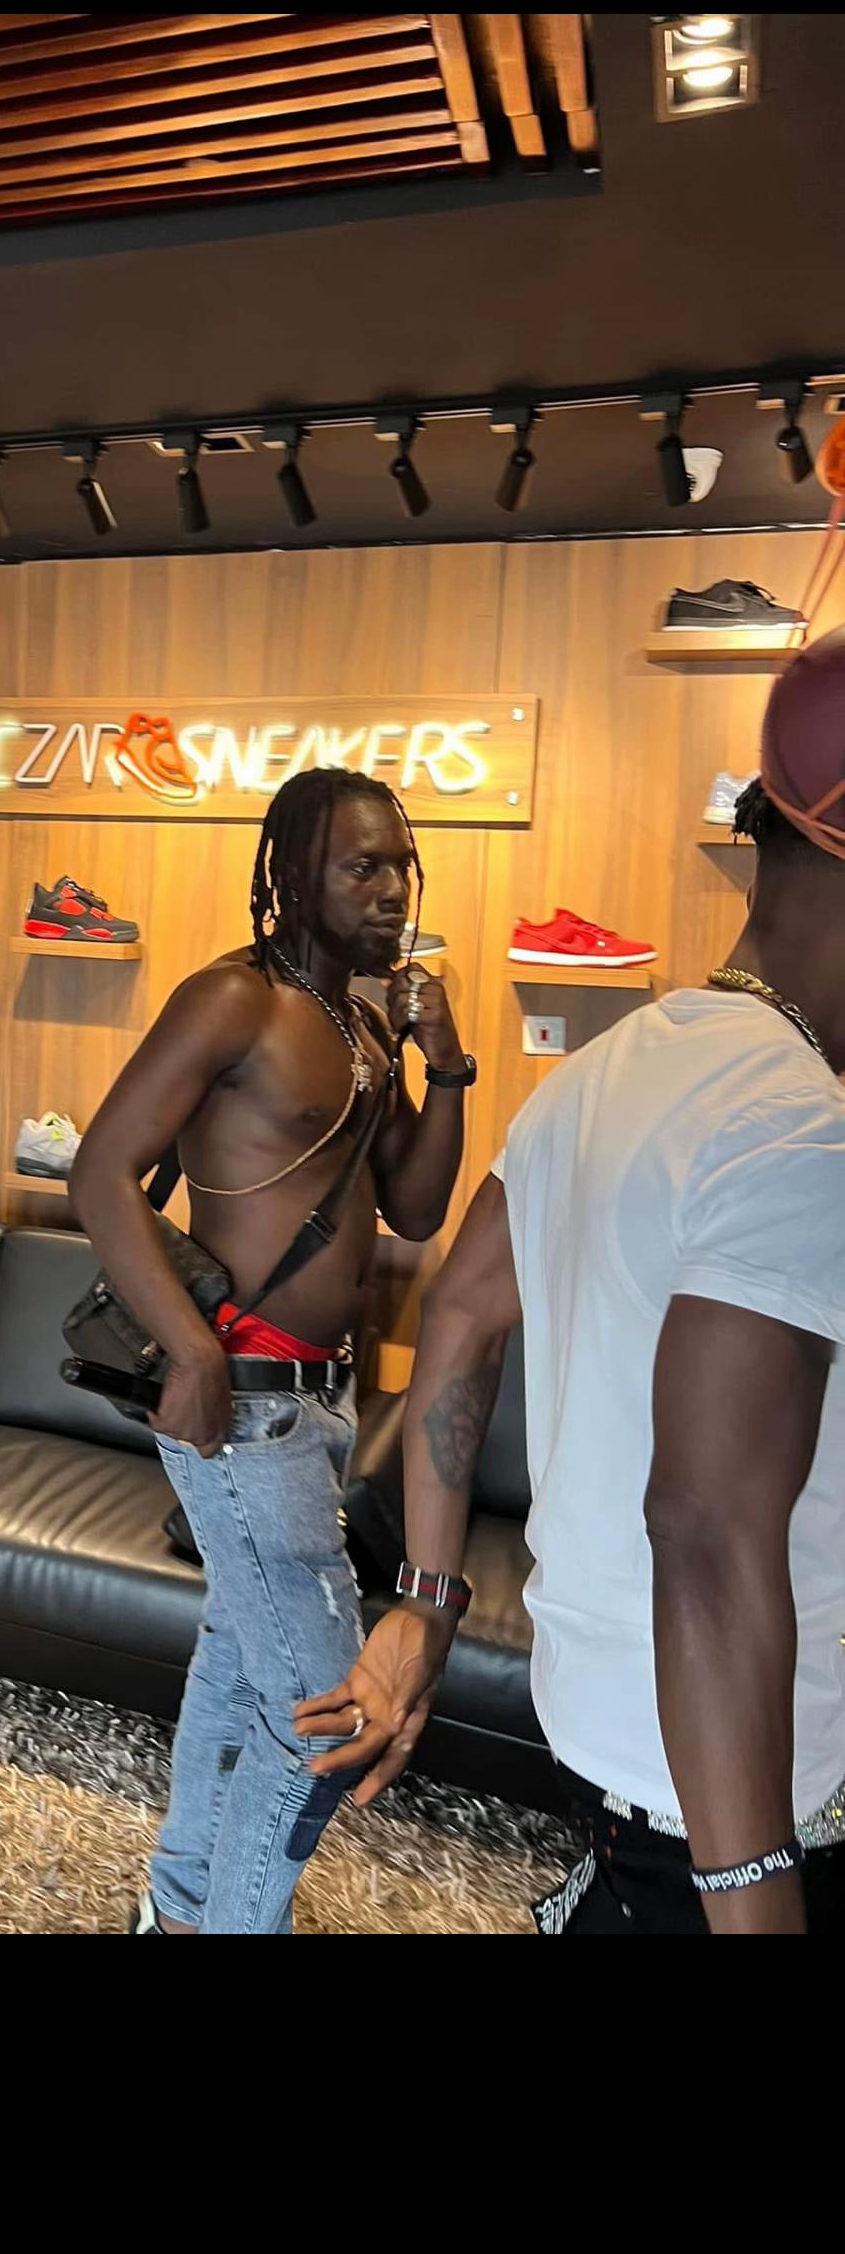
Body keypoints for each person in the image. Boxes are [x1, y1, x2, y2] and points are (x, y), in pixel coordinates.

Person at [298, 634, 845, 1934]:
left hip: (616, 1730)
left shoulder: (606, 1070)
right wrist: (751, 1898)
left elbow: (463, 1310)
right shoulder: (801, 1130)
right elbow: (704, 1526)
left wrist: (428, 1600)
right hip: (755, 1795)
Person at [70, 766, 475, 1933]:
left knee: (241, 1667)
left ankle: (177, 1907)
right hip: (241, 1400)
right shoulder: (231, 1001)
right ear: (295, 876)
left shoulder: (361, 1023)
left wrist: (446, 1061)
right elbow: (100, 1169)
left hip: (321, 1403)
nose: (392, 888)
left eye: (401, 865)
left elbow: (415, 1208)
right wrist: (190, 1353)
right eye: (363, 866)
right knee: (324, 1713)